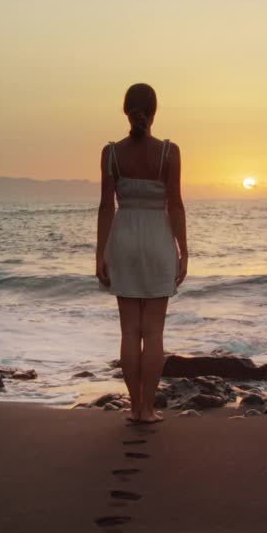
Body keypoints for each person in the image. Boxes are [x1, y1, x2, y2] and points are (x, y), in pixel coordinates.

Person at [96, 83, 188, 424]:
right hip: (157, 239)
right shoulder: (169, 152)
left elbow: (106, 206)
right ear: (155, 111)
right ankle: (148, 409)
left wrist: (100, 253)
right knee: (153, 332)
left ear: (126, 111)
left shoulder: (111, 154)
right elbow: (175, 205)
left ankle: (134, 406)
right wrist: (183, 249)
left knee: (129, 332)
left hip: (123, 239)